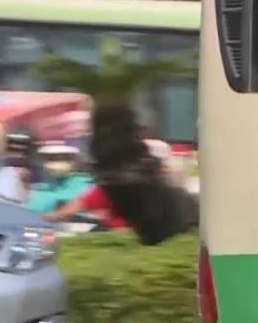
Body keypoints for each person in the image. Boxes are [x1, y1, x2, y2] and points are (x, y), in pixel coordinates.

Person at [44, 102, 190, 245]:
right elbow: (93, 197)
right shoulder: (141, 166)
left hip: (129, 234)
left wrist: (54, 216)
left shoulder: (121, 173)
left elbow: (99, 195)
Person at [23, 141, 94, 215]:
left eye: (61, 159)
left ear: (74, 161)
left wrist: (33, 196)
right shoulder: (53, 182)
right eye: (49, 159)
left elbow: (69, 200)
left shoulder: (85, 184)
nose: (52, 164)